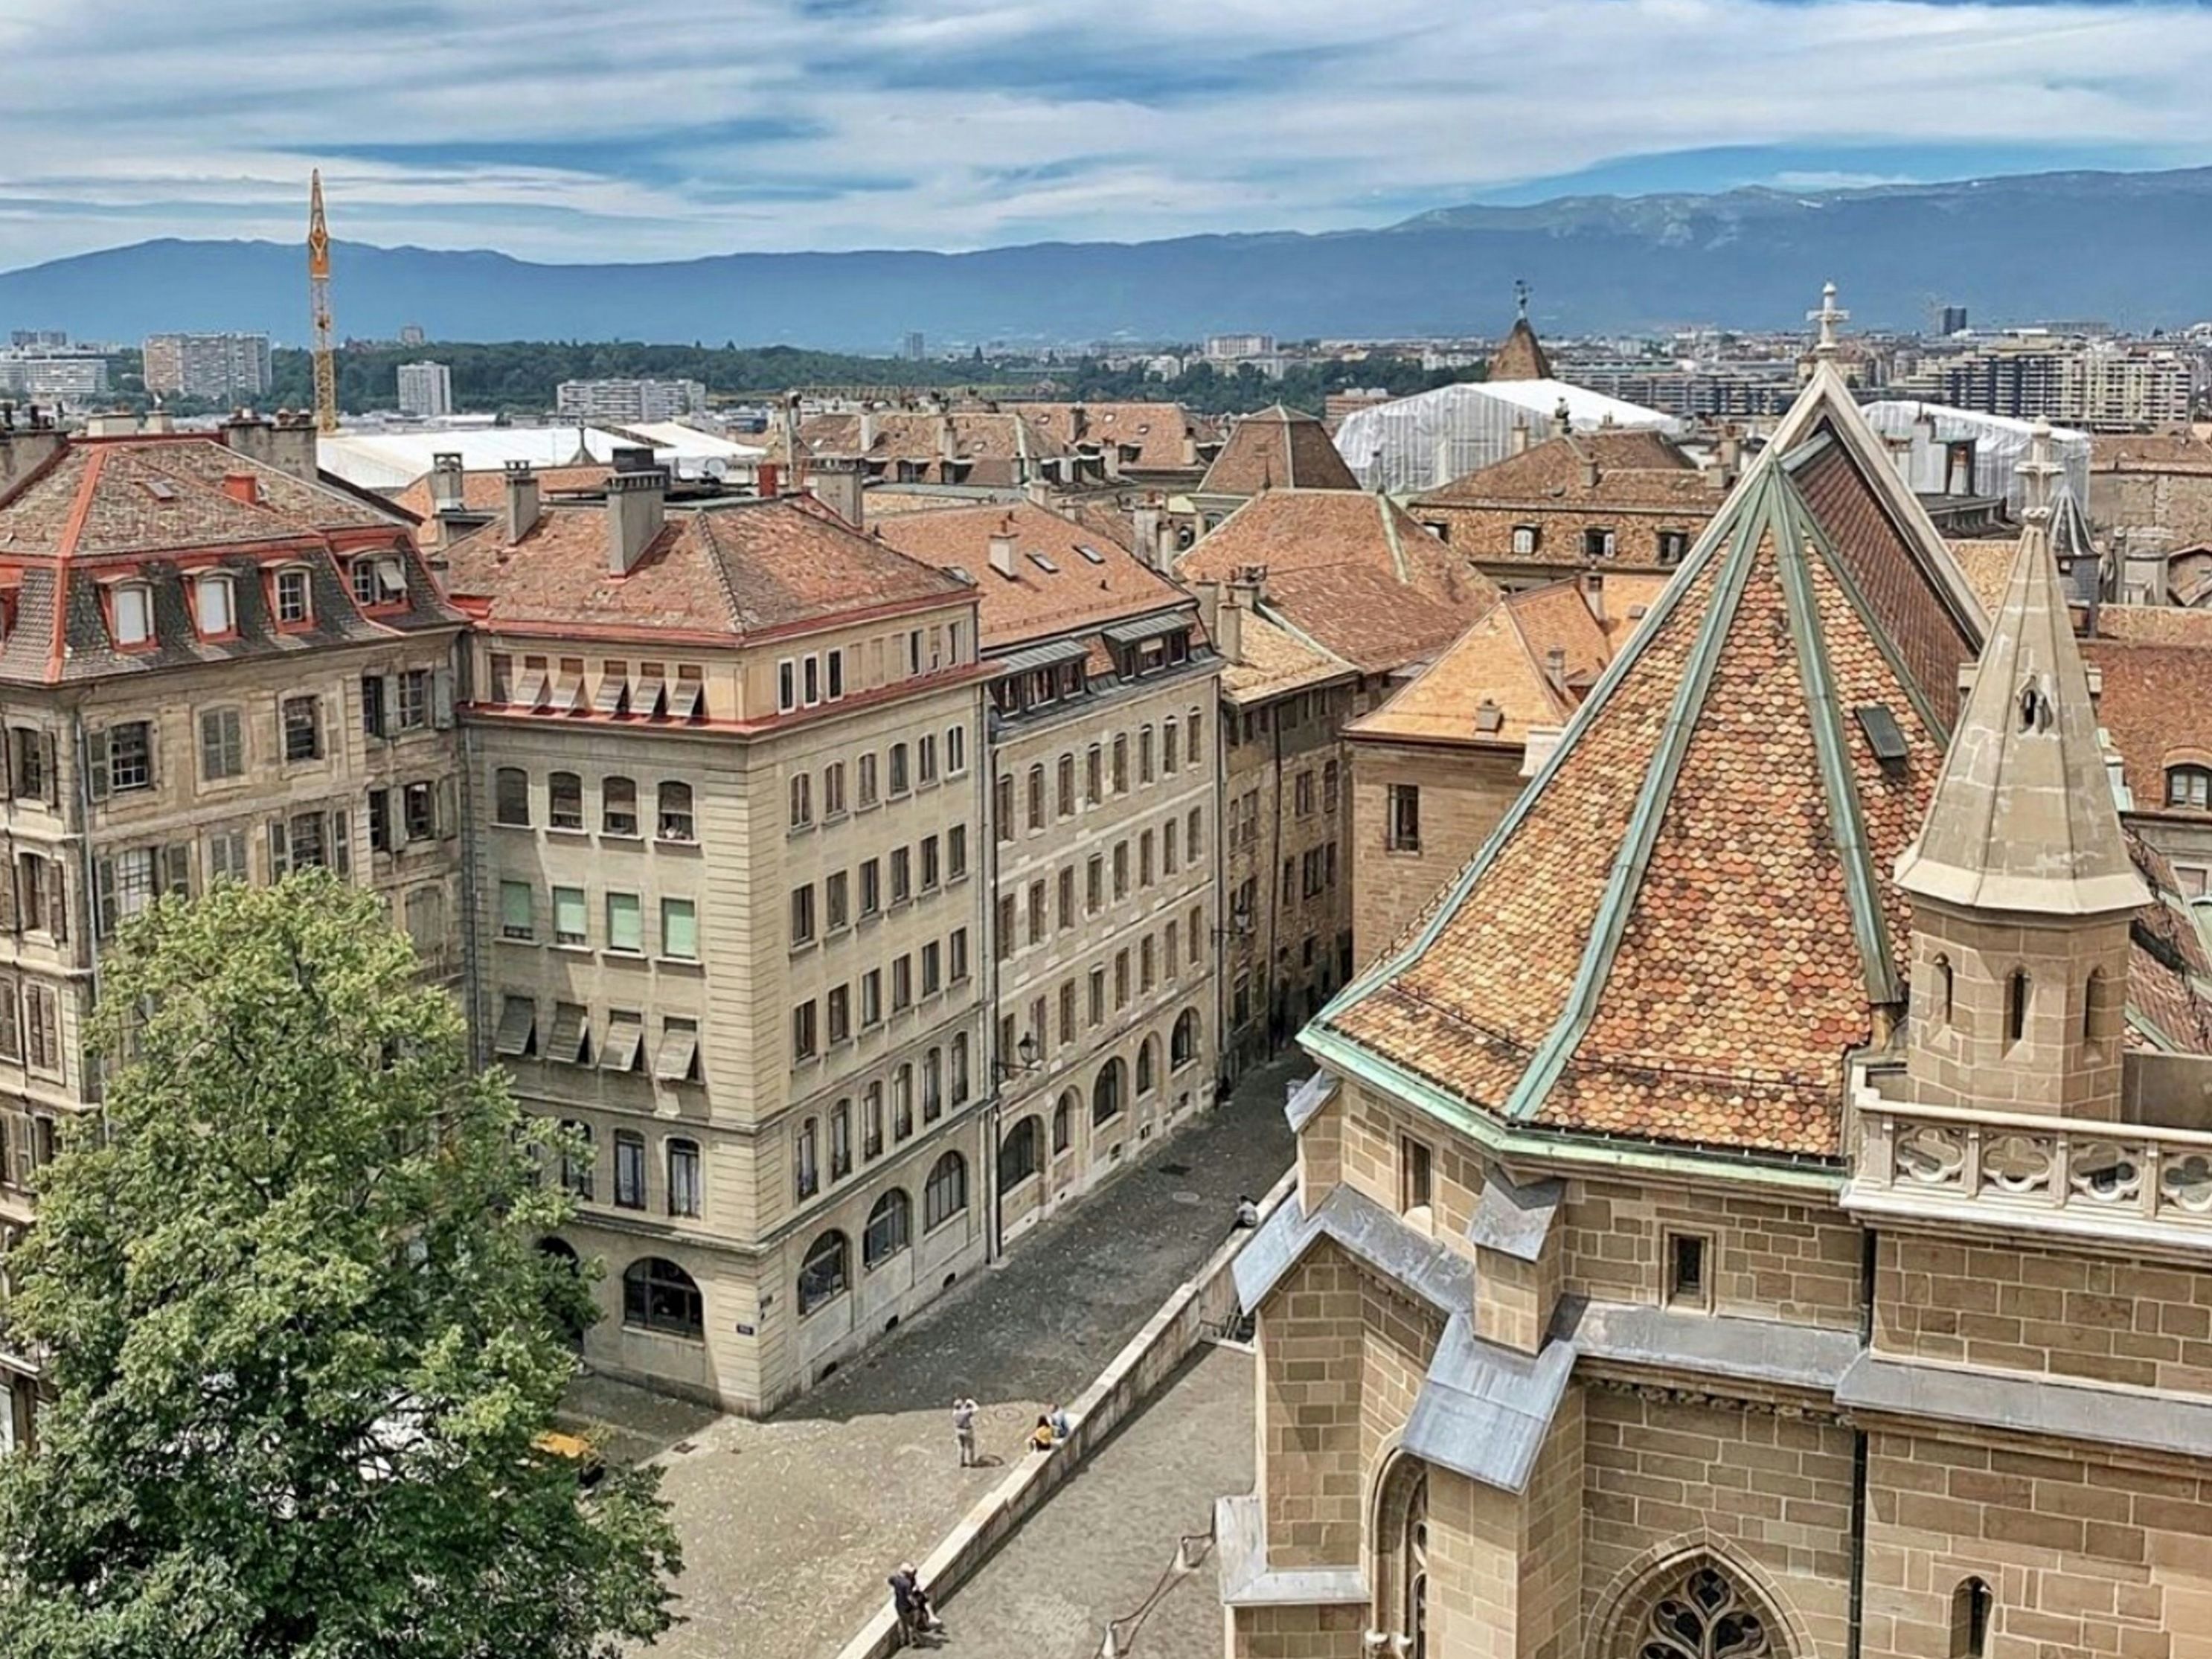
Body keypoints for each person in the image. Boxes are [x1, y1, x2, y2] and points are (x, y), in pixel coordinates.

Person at [952, 1396, 978, 1467]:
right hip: (967, 1430)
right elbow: (976, 1409)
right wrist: (971, 1402)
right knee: (970, 1447)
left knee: (961, 1447)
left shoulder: (955, 1413)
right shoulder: (965, 1413)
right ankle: (972, 1462)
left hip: (958, 1431)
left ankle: (961, 1462)